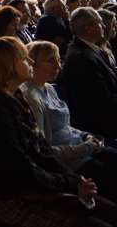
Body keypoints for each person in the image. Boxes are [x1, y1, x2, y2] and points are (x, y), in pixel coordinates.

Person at [0, 36, 117, 227]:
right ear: (7, 65)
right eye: (23, 57)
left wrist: (76, 180)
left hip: (33, 185)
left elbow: (42, 150)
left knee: (109, 211)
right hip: (7, 197)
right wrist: (71, 184)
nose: (30, 61)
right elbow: (21, 169)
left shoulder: (15, 98)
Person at [22, 41, 117, 201]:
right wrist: (86, 147)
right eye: (50, 61)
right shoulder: (31, 98)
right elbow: (45, 151)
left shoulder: (48, 87)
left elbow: (65, 127)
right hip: (69, 162)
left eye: (58, 60)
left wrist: (85, 136)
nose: (58, 66)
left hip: (80, 147)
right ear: (33, 63)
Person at [61, 7, 117, 138]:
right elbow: (100, 100)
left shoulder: (90, 50)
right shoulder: (81, 57)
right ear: (88, 28)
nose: (104, 26)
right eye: (100, 23)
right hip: (100, 124)